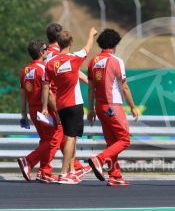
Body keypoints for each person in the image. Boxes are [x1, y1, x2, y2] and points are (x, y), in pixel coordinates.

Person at [42, 27, 98, 184]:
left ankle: (72, 170)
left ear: (57, 43)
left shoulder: (50, 62)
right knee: (70, 138)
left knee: (69, 137)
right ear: (70, 43)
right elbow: (88, 47)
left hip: (60, 104)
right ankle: (64, 173)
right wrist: (90, 34)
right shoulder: (74, 58)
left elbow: (46, 85)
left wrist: (45, 106)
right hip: (74, 103)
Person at [87, 29, 138, 186]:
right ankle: (99, 159)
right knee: (124, 139)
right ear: (115, 44)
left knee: (112, 142)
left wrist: (91, 109)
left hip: (100, 106)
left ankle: (115, 176)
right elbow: (124, 87)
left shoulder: (93, 61)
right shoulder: (116, 61)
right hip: (113, 106)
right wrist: (132, 106)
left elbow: (90, 88)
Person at [18, 40, 62, 183]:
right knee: (54, 139)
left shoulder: (24, 70)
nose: (48, 51)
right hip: (45, 110)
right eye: (46, 50)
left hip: (32, 109)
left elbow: (23, 93)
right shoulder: (44, 69)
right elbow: (48, 93)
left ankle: (44, 172)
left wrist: (23, 113)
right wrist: (57, 112)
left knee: (45, 140)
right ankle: (28, 161)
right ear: (42, 52)